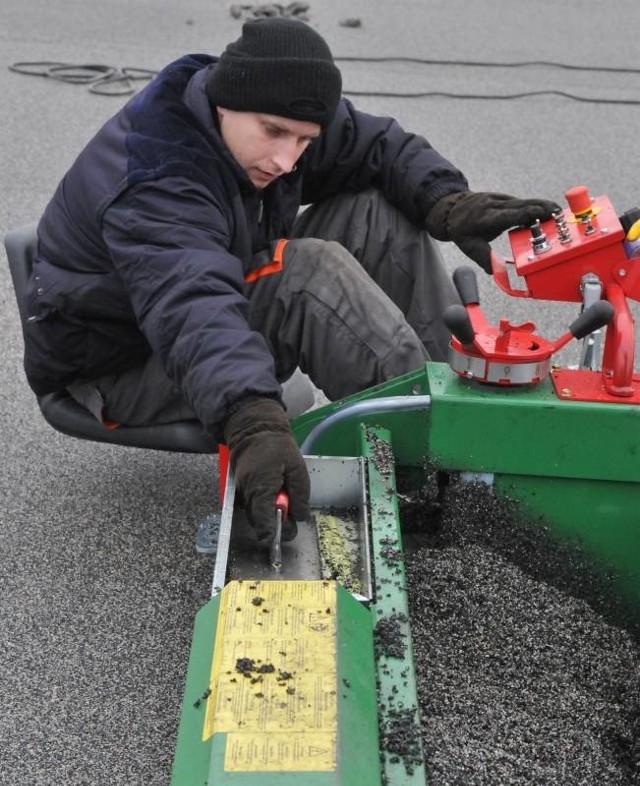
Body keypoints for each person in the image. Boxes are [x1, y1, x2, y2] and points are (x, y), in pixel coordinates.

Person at [22, 18, 558, 548]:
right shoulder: (158, 175)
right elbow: (191, 305)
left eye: (303, 140)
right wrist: (252, 421)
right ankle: (440, 468)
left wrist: (446, 202)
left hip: (200, 294)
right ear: (223, 103)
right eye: (273, 133)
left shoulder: (270, 111)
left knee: (374, 212)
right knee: (307, 277)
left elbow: (377, 146)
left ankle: (462, 408)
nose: (285, 158)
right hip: (124, 361)